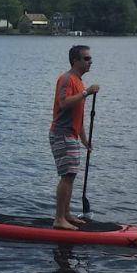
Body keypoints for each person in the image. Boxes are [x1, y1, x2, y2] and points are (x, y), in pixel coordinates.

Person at [50, 45, 99, 229]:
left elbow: (78, 116)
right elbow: (63, 104)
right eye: (86, 58)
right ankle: (59, 219)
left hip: (71, 135)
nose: (90, 62)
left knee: (71, 176)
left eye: (90, 58)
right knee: (67, 175)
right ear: (75, 61)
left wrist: (84, 139)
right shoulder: (67, 79)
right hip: (61, 134)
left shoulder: (78, 82)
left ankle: (66, 214)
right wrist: (86, 93)